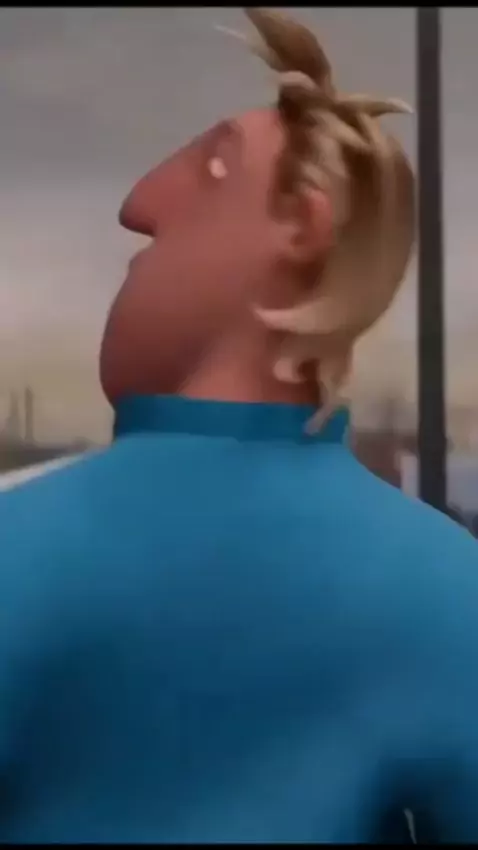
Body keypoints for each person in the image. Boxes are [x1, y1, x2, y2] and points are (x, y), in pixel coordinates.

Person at [0, 8, 477, 843]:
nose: (140, 207)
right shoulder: (442, 582)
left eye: (214, 168)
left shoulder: (21, 545)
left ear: (304, 226)